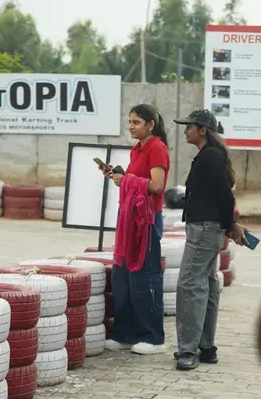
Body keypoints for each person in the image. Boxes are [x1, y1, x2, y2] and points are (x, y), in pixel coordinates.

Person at [173, 108, 248, 370]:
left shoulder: (210, 157)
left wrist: (231, 225)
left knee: (189, 285)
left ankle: (188, 350)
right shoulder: (211, 155)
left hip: (204, 228)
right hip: (208, 227)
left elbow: (224, 195)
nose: (185, 131)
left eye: (189, 126)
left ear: (203, 130)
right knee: (206, 283)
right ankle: (206, 347)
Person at [101, 103, 170, 355]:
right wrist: (119, 177)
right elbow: (136, 183)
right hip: (130, 220)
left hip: (147, 221)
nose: (131, 127)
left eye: (136, 122)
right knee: (123, 277)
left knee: (144, 276)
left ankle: (153, 337)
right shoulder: (137, 148)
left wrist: (127, 180)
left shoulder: (157, 148)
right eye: (129, 122)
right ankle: (126, 334)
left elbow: (156, 186)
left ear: (150, 125)